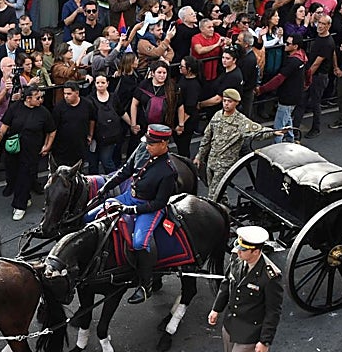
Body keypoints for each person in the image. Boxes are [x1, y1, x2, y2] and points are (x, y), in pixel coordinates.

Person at [93, 124, 178, 303]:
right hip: (129, 197)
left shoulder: (169, 171)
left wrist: (131, 211)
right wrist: (104, 188)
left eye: (152, 144)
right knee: (92, 216)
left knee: (139, 243)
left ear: (164, 144)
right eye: (147, 143)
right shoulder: (142, 148)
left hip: (149, 208)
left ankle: (145, 284)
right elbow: (125, 171)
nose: (148, 146)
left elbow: (159, 203)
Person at [195, 88, 268, 199]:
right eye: (224, 101)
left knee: (214, 194)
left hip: (225, 163)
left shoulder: (241, 121)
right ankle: (224, 207)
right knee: (215, 189)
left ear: (236, 103)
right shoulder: (217, 116)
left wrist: (276, 132)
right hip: (212, 161)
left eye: (230, 101)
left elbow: (258, 132)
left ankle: (214, 212)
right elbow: (207, 138)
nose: (226, 104)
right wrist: (199, 156)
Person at [0, 86, 56, 221]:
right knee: (13, 174)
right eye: (37, 98)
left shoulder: (43, 112)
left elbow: (51, 130)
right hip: (14, 149)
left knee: (25, 176)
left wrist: (47, 146)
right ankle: (25, 196)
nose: (41, 100)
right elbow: (4, 126)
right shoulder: (15, 108)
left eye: (41, 97)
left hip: (31, 151)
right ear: (28, 99)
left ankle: (20, 205)